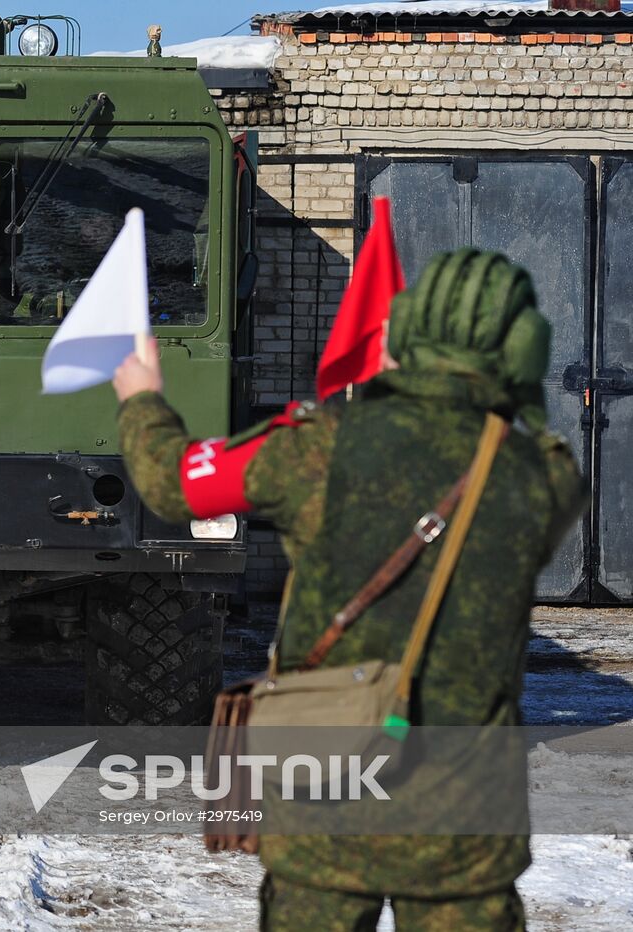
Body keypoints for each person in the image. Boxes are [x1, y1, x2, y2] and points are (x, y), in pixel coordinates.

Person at [111, 249, 584, 931]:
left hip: (322, 799)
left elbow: (175, 482)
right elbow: (519, 436)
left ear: (403, 335)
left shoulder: (316, 444)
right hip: (464, 824)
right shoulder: (543, 476)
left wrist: (142, 399)